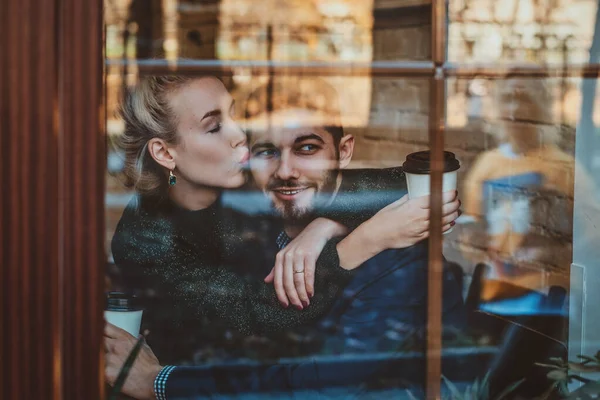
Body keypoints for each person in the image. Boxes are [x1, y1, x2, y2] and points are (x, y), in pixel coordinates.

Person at [105, 77, 464, 398]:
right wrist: (352, 246)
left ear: (345, 153)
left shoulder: (395, 255)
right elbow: (253, 317)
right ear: (165, 153)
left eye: (307, 148)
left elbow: (410, 180)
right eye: (216, 126)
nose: (239, 139)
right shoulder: (156, 233)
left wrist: (325, 227)